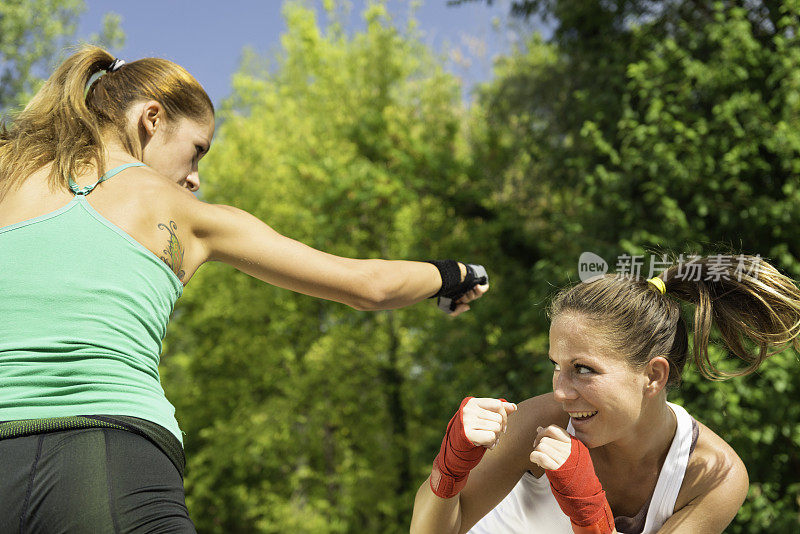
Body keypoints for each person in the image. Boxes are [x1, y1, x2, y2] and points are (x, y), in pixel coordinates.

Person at [0, 45, 489, 532]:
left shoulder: (8, 171)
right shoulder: (186, 214)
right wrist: (453, 274)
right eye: (197, 150)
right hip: (111, 458)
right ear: (152, 118)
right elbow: (368, 286)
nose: (194, 178)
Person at [410, 255, 800, 534]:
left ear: (653, 375)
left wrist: (590, 516)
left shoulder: (713, 476)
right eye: (556, 366)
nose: (561, 392)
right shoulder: (538, 424)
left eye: (583, 370)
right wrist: (448, 470)